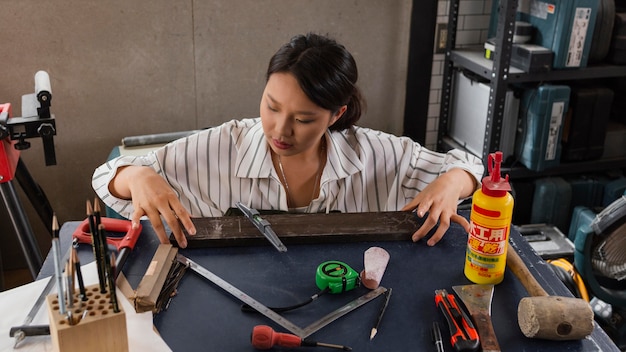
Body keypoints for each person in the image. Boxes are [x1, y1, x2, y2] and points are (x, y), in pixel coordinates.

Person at [92, 33, 484, 248]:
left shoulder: (373, 153)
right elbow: (108, 176)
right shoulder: (222, 146)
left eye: (303, 119)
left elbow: (467, 167)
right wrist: (140, 178)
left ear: (337, 115)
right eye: (271, 106)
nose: (280, 130)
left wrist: (454, 182)